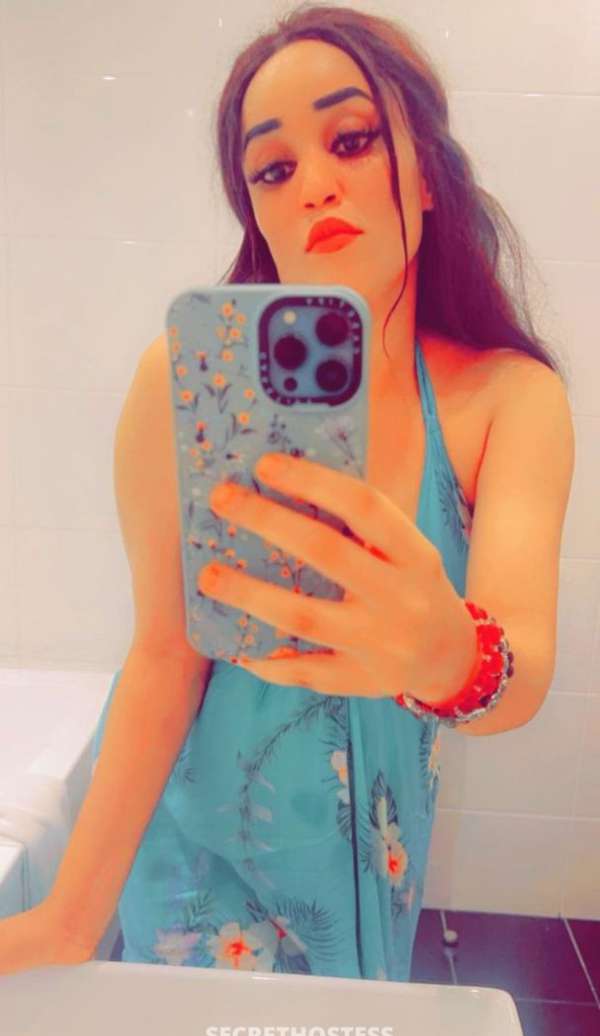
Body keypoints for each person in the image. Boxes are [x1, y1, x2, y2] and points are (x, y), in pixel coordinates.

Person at [0, 4, 573, 980]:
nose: (313, 184)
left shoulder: (506, 399)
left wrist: (450, 651)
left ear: (426, 175)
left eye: (352, 139)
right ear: (256, 213)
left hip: (363, 874)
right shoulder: (183, 378)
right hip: (190, 870)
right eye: (271, 169)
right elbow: (164, 655)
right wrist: (65, 918)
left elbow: (523, 670)